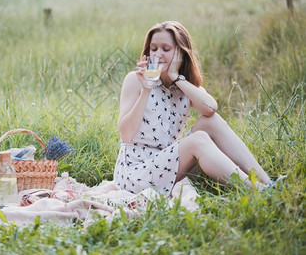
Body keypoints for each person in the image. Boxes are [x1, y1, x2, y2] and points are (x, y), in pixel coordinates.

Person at [113, 21, 273, 196]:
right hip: (136, 174)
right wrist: (146, 90)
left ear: (180, 53)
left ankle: (268, 182)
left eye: (166, 49)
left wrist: (176, 77)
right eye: (154, 48)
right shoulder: (135, 81)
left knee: (210, 122)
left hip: (169, 162)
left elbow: (211, 108)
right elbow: (126, 135)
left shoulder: (183, 85)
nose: (158, 54)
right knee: (199, 139)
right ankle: (259, 192)